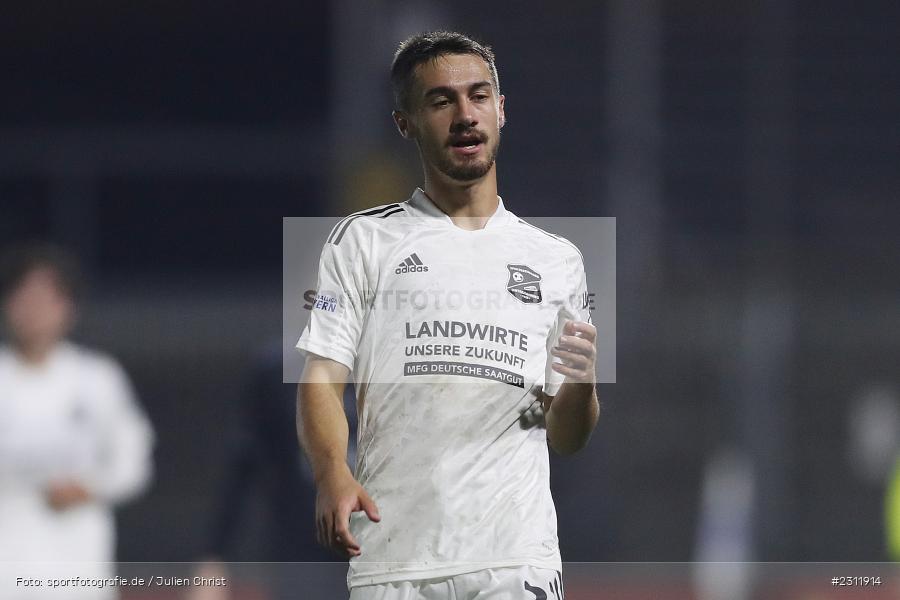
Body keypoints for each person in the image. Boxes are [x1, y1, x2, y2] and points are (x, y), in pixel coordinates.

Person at [296, 31, 598, 600]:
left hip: (514, 558)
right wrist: (331, 471)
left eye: (479, 96)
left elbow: (568, 437)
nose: (465, 115)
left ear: (501, 111)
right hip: (394, 558)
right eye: (441, 101)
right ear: (404, 122)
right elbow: (321, 378)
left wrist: (581, 386)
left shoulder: (558, 259)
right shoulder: (361, 241)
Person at [0, 243, 154, 600]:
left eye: (47, 299)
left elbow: (133, 459)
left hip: (77, 564)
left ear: (67, 308)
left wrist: (89, 487)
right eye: (25, 298)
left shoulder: (98, 378)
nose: (35, 311)